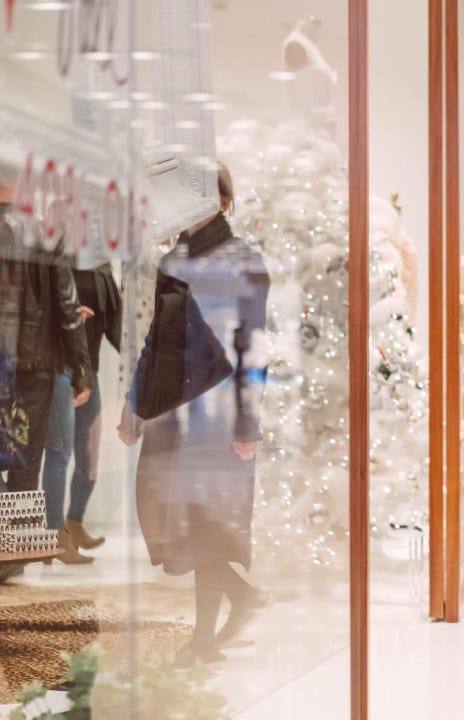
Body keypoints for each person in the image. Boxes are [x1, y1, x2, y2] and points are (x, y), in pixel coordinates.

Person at [119, 163, 270, 668]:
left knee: (205, 524)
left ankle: (203, 641)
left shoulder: (243, 261)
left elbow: (253, 347)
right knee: (168, 521)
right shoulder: (174, 261)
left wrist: (247, 422)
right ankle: (241, 599)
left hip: (217, 413)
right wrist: (134, 403)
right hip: (170, 409)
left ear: (223, 203)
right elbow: (156, 339)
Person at [0, 185, 93, 572]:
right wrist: (81, 368)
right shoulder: (44, 235)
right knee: (26, 458)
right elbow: (67, 307)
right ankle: (16, 556)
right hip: (35, 366)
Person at [40, 261, 122, 561]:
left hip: (88, 368)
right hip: (60, 363)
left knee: (89, 453)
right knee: (59, 451)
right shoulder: (55, 259)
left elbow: (115, 320)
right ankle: (54, 534)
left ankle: (75, 523)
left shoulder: (100, 266)